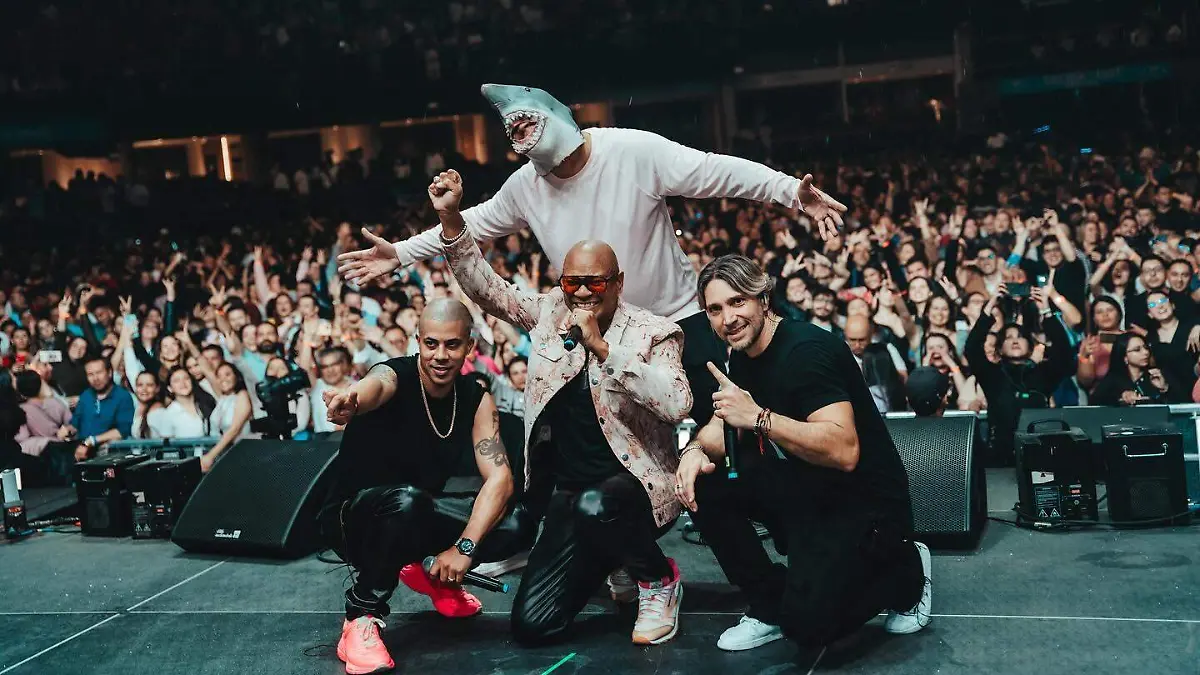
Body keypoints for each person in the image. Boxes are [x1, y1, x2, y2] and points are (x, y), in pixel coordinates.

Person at [337, 83, 845, 432]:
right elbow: (474, 222)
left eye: (526, 120)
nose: (519, 132)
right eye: (511, 130)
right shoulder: (524, 187)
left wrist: (790, 192)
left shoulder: (633, 151)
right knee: (614, 452)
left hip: (677, 320)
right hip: (601, 335)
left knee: (724, 435)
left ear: (557, 114)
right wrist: (400, 253)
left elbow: (715, 171)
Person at [429, 169, 693, 646]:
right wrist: (451, 222)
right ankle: (611, 557)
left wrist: (606, 350)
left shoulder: (653, 332)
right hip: (569, 497)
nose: (582, 293)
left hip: (635, 490)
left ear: (618, 282)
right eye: (572, 282)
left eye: (594, 282)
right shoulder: (552, 313)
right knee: (534, 626)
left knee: (600, 506)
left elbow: (678, 402)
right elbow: (489, 290)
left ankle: (658, 579)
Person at [675, 254, 931, 652]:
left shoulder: (807, 352)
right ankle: (768, 604)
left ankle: (905, 570)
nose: (728, 319)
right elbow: (726, 422)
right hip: (810, 485)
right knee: (703, 481)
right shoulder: (743, 353)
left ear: (763, 299)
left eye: (738, 301)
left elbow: (844, 451)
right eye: (716, 309)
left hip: (866, 503)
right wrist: (693, 450)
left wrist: (759, 418)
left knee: (809, 628)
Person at [317, 298, 530, 675]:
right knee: (408, 502)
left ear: (469, 346)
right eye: (431, 343)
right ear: (418, 341)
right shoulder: (394, 375)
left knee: (517, 523)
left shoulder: (475, 398)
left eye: (452, 344)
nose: (440, 355)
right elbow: (375, 386)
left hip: (416, 511)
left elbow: (500, 480)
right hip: (353, 518)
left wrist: (463, 549)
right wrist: (352, 399)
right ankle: (359, 618)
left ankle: (432, 574)